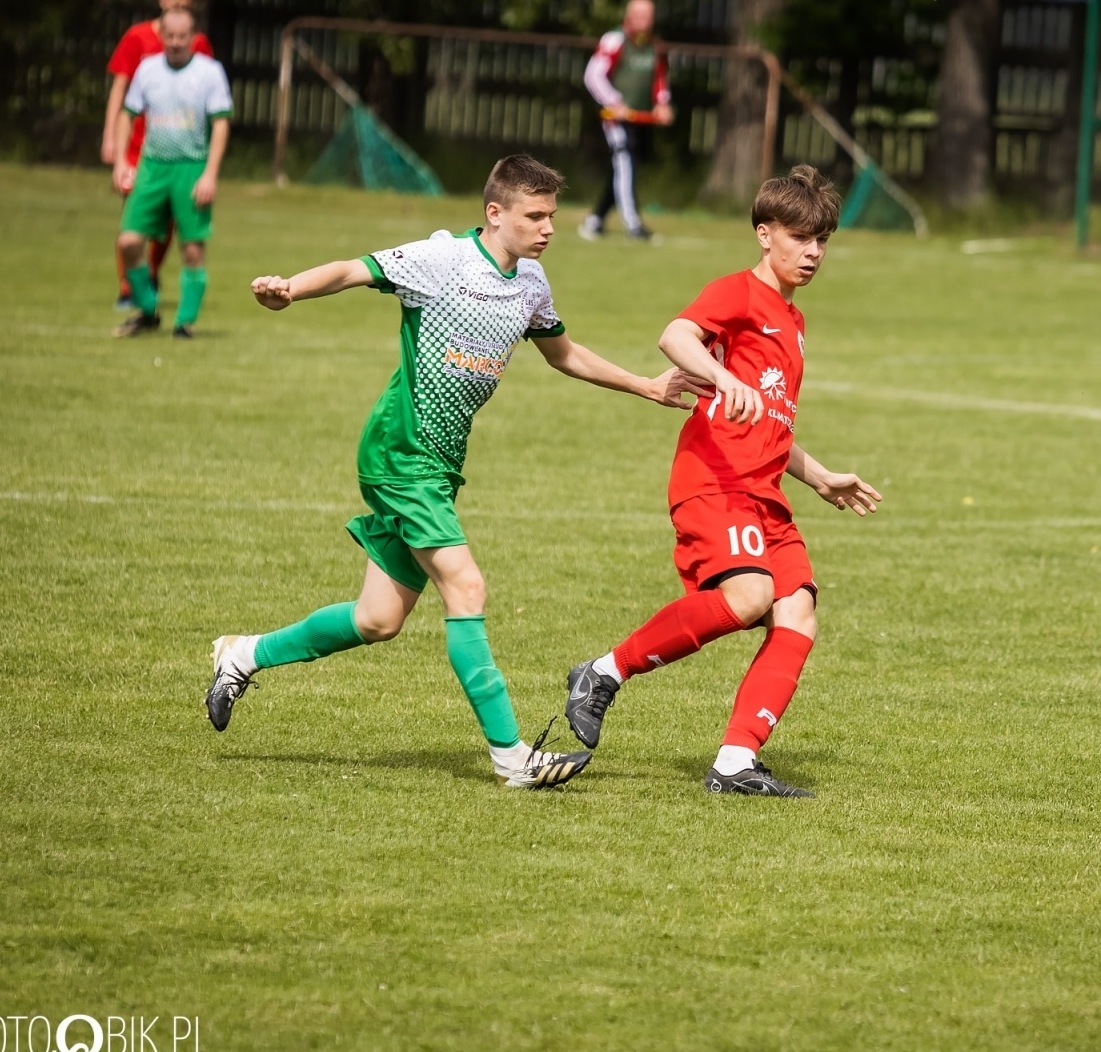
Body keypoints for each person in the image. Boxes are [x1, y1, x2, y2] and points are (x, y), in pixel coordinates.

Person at [204, 155, 709, 790]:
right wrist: (290, 290)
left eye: (552, 216)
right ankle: (512, 757)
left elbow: (562, 353)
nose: (547, 228)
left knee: (377, 620)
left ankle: (242, 655)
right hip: (400, 453)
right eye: (535, 216)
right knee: (465, 589)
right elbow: (354, 270)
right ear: (495, 214)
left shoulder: (530, 282)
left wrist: (645, 385)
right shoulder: (442, 260)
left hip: (440, 466)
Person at [562, 165, 882, 797]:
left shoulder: (793, 322)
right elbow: (674, 335)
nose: (813, 251)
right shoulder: (738, 294)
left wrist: (819, 478)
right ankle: (601, 673)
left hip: (764, 491)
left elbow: (772, 424)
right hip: (714, 480)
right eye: (800, 237)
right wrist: (722, 373)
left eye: (823, 239)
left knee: (799, 612)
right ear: (766, 234)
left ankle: (736, 761)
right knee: (750, 598)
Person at [110, 7, 229, 339]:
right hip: (151, 165)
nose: (176, 43)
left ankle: (184, 322)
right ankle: (148, 309)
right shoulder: (147, 70)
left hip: (191, 167)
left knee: (192, 248)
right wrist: (121, 162)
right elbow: (127, 114)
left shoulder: (209, 72)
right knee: (129, 241)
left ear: (193, 38)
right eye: (170, 36)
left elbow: (221, 124)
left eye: (183, 37)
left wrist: (210, 175)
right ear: (161, 36)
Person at [578, 0, 672, 243]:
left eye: (647, 15)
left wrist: (662, 104)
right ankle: (633, 223)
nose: (643, 20)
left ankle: (595, 220)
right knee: (625, 163)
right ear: (629, 15)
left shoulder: (654, 46)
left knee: (622, 169)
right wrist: (614, 102)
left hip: (640, 119)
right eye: (638, 14)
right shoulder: (614, 40)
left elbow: (659, 79)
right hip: (617, 120)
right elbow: (593, 75)